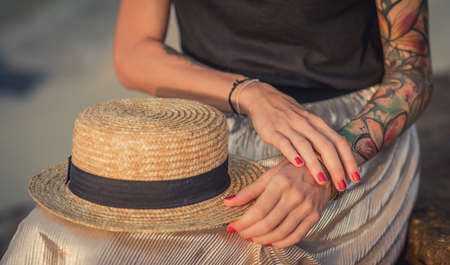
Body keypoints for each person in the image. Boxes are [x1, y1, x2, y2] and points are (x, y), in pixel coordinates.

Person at [113, 0, 432, 263]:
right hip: (209, 126)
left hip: (348, 128)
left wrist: (322, 169)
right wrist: (251, 94)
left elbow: (411, 73)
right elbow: (134, 52)